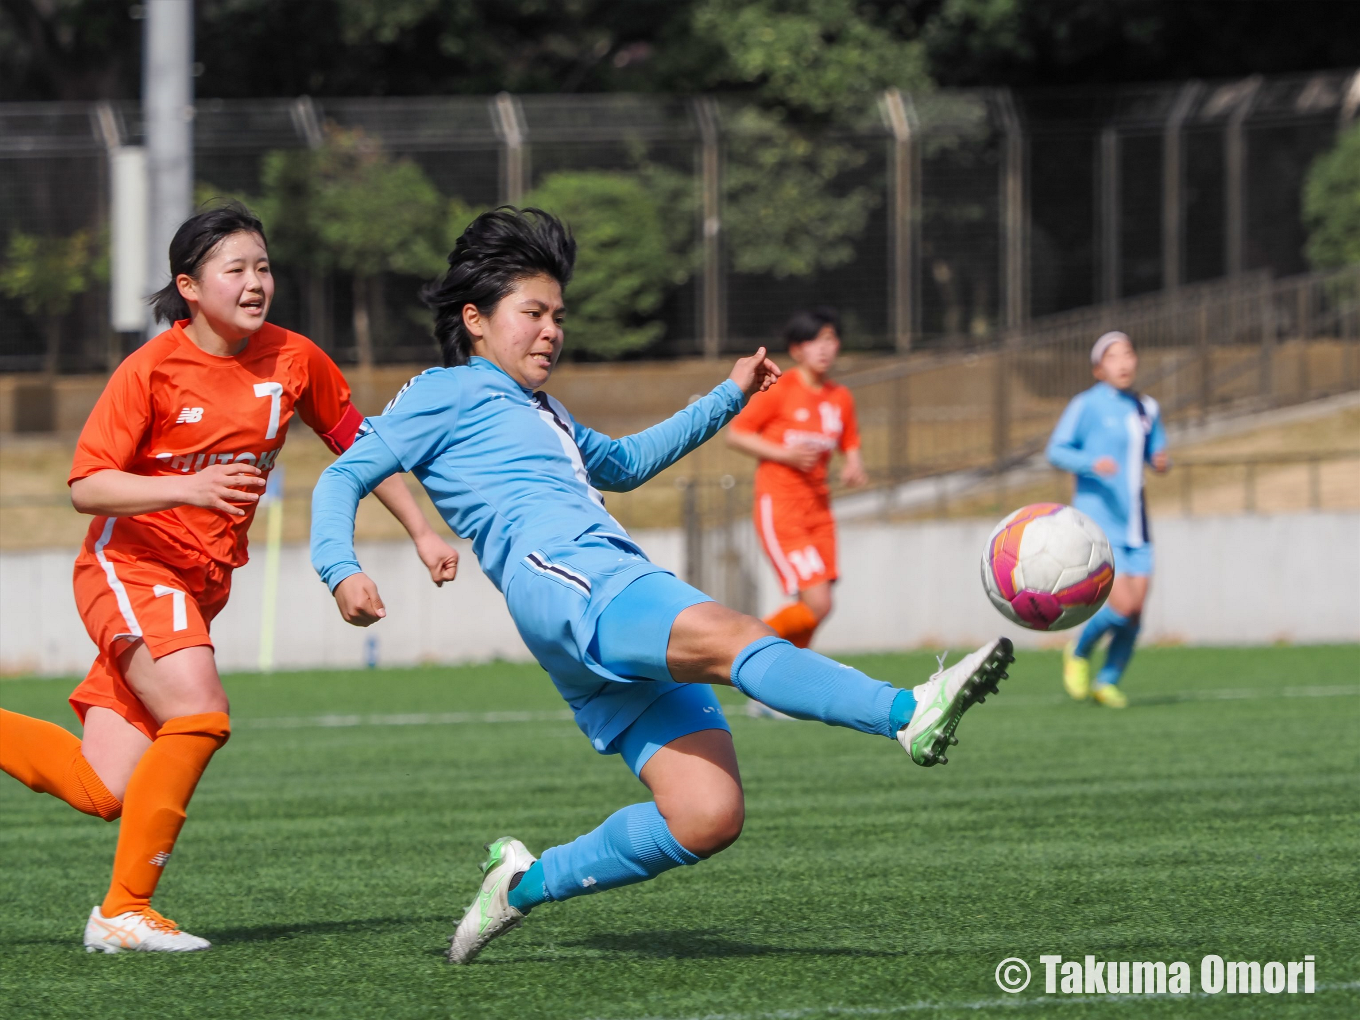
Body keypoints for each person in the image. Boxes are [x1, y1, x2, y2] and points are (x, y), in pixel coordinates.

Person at [309, 207, 1014, 964]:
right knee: (739, 635)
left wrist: (729, 394)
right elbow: (342, 474)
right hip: (572, 580)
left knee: (707, 815)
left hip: (587, 600)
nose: (551, 330)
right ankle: (908, 713)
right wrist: (341, 568)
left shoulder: (544, 410)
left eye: (559, 316)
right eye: (534, 313)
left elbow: (624, 463)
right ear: (475, 320)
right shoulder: (445, 392)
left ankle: (520, 886)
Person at [0, 203, 458, 954]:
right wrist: (190, 488)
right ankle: (123, 912)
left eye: (264, 266)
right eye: (235, 269)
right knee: (203, 713)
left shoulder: (294, 359)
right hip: (129, 566)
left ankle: (122, 911)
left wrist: (421, 530)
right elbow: (87, 485)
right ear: (189, 285)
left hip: (198, 586)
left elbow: (360, 445)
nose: (255, 282)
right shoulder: (149, 370)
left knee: (102, 787)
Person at [726, 306, 867, 652]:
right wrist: (784, 454)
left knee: (816, 608)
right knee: (818, 603)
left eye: (830, 340)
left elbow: (849, 441)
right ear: (796, 350)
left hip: (819, 512)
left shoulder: (839, 397)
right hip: (781, 508)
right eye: (815, 341)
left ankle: (775, 681)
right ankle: (739, 648)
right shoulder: (781, 389)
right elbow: (737, 434)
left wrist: (853, 464)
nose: (824, 348)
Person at [1046, 331, 1168, 709]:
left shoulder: (1147, 408)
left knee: (1135, 614)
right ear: (1099, 368)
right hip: (1098, 523)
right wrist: (1090, 464)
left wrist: (1162, 461)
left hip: (1137, 522)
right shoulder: (1086, 405)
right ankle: (1079, 651)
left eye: (1129, 353)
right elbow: (1056, 450)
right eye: (1114, 356)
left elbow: (1156, 451)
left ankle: (1107, 681)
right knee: (1121, 607)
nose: (1124, 362)